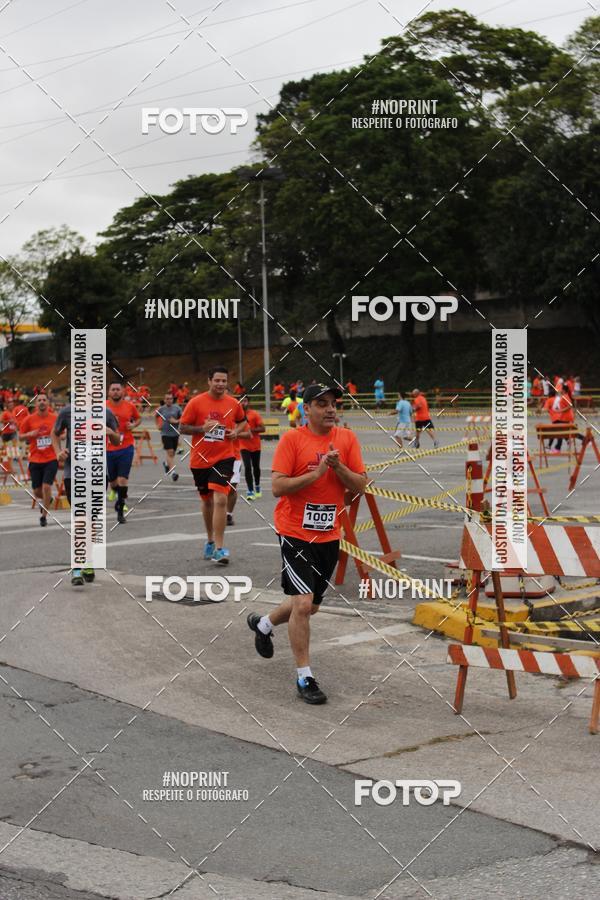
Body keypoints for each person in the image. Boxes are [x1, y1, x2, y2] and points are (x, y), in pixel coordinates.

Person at [247, 383, 366, 705]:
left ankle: (264, 623)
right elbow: (277, 487)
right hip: (294, 532)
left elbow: (361, 486)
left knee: (310, 605)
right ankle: (305, 677)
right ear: (306, 409)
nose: (330, 409)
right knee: (302, 604)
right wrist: (315, 476)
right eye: (321, 403)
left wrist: (339, 467)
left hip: (328, 533)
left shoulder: (347, 439)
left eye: (333, 404)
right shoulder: (292, 439)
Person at [179, 366, 247, 565]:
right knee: (207, 502)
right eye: (216, 380)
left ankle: (219, 548)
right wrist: (202, 428)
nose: (220, 384)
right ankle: (209, 539)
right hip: (200, 460)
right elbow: (182, 427)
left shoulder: (233, 403)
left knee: (220, 500)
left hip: (224, 458)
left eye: (224, 381)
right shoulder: (196, 403)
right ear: (209, 381)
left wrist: (236, 432)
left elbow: (243, 422)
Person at [52, 401, 120, 585]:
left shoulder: (106, 412)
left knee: (91, 521)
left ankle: (88, 561)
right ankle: (76, 567)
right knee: (80, 519)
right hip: (74, 473)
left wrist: (111, 433)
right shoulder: (68, 411)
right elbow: (55, 433)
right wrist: (58, 452)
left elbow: (118, 439)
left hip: (98, 474)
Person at [18, 393, 58, 527]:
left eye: (44, 400)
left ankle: (44, 516)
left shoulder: (55, 418)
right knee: (36, 491)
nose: (41, 402)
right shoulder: (29, 420)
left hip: (51, 458)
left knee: (47, 486)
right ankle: (49, 500)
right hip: (35, 459)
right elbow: (20, 436)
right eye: (39, 400)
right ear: (36, 404)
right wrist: (30, 434)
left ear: (48, 403)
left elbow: (62, 432)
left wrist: (61, 436)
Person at [106, 381, 141, 524]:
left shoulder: (129, 406)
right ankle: (116, 493)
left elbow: (138, 418)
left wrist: (133, 425)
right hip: (107, 448)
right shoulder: (102, 407)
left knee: (122, 479)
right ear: (109, 392)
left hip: (126, 447)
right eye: (113, 389)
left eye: (118, 389)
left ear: (123, 392)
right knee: (113, 481)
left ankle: (120, 509)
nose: (115, 392)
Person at [239, 395, 265, 499]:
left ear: (248, 402)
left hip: (255, 445)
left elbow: (263, 428)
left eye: (245, 401)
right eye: (241, 401)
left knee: (256, 467)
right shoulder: (237, 415)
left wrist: (250, 430)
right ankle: (250, 490)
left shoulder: (254, 414)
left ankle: (257, 485)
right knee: (247, 467)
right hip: (243, 445)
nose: (243, 403)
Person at [155, 392, 182, 481]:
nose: (169, 400)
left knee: (172, 453)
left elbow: (183, 419)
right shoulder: (161, 409)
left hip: (175, 433)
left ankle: (166, 464)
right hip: (165, 434)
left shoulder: (177, 408)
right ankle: (173, 472)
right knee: (170, 452)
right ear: (164, 399)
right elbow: (156, 416)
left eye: (170, 399)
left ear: (172, 399)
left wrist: (176, 421)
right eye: (167, 399)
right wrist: (158, 425)